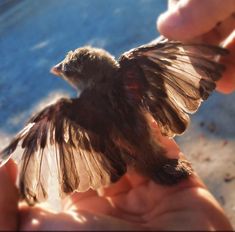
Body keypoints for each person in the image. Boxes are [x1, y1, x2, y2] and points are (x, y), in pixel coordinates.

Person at [0, 0, 234, 230]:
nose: (60, 71)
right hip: (156, 152)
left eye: (66, 72)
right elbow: (173, 58)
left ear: (81, 79)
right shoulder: (135, 68)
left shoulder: (66, 114)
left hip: (129, 160)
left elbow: (40, 143)